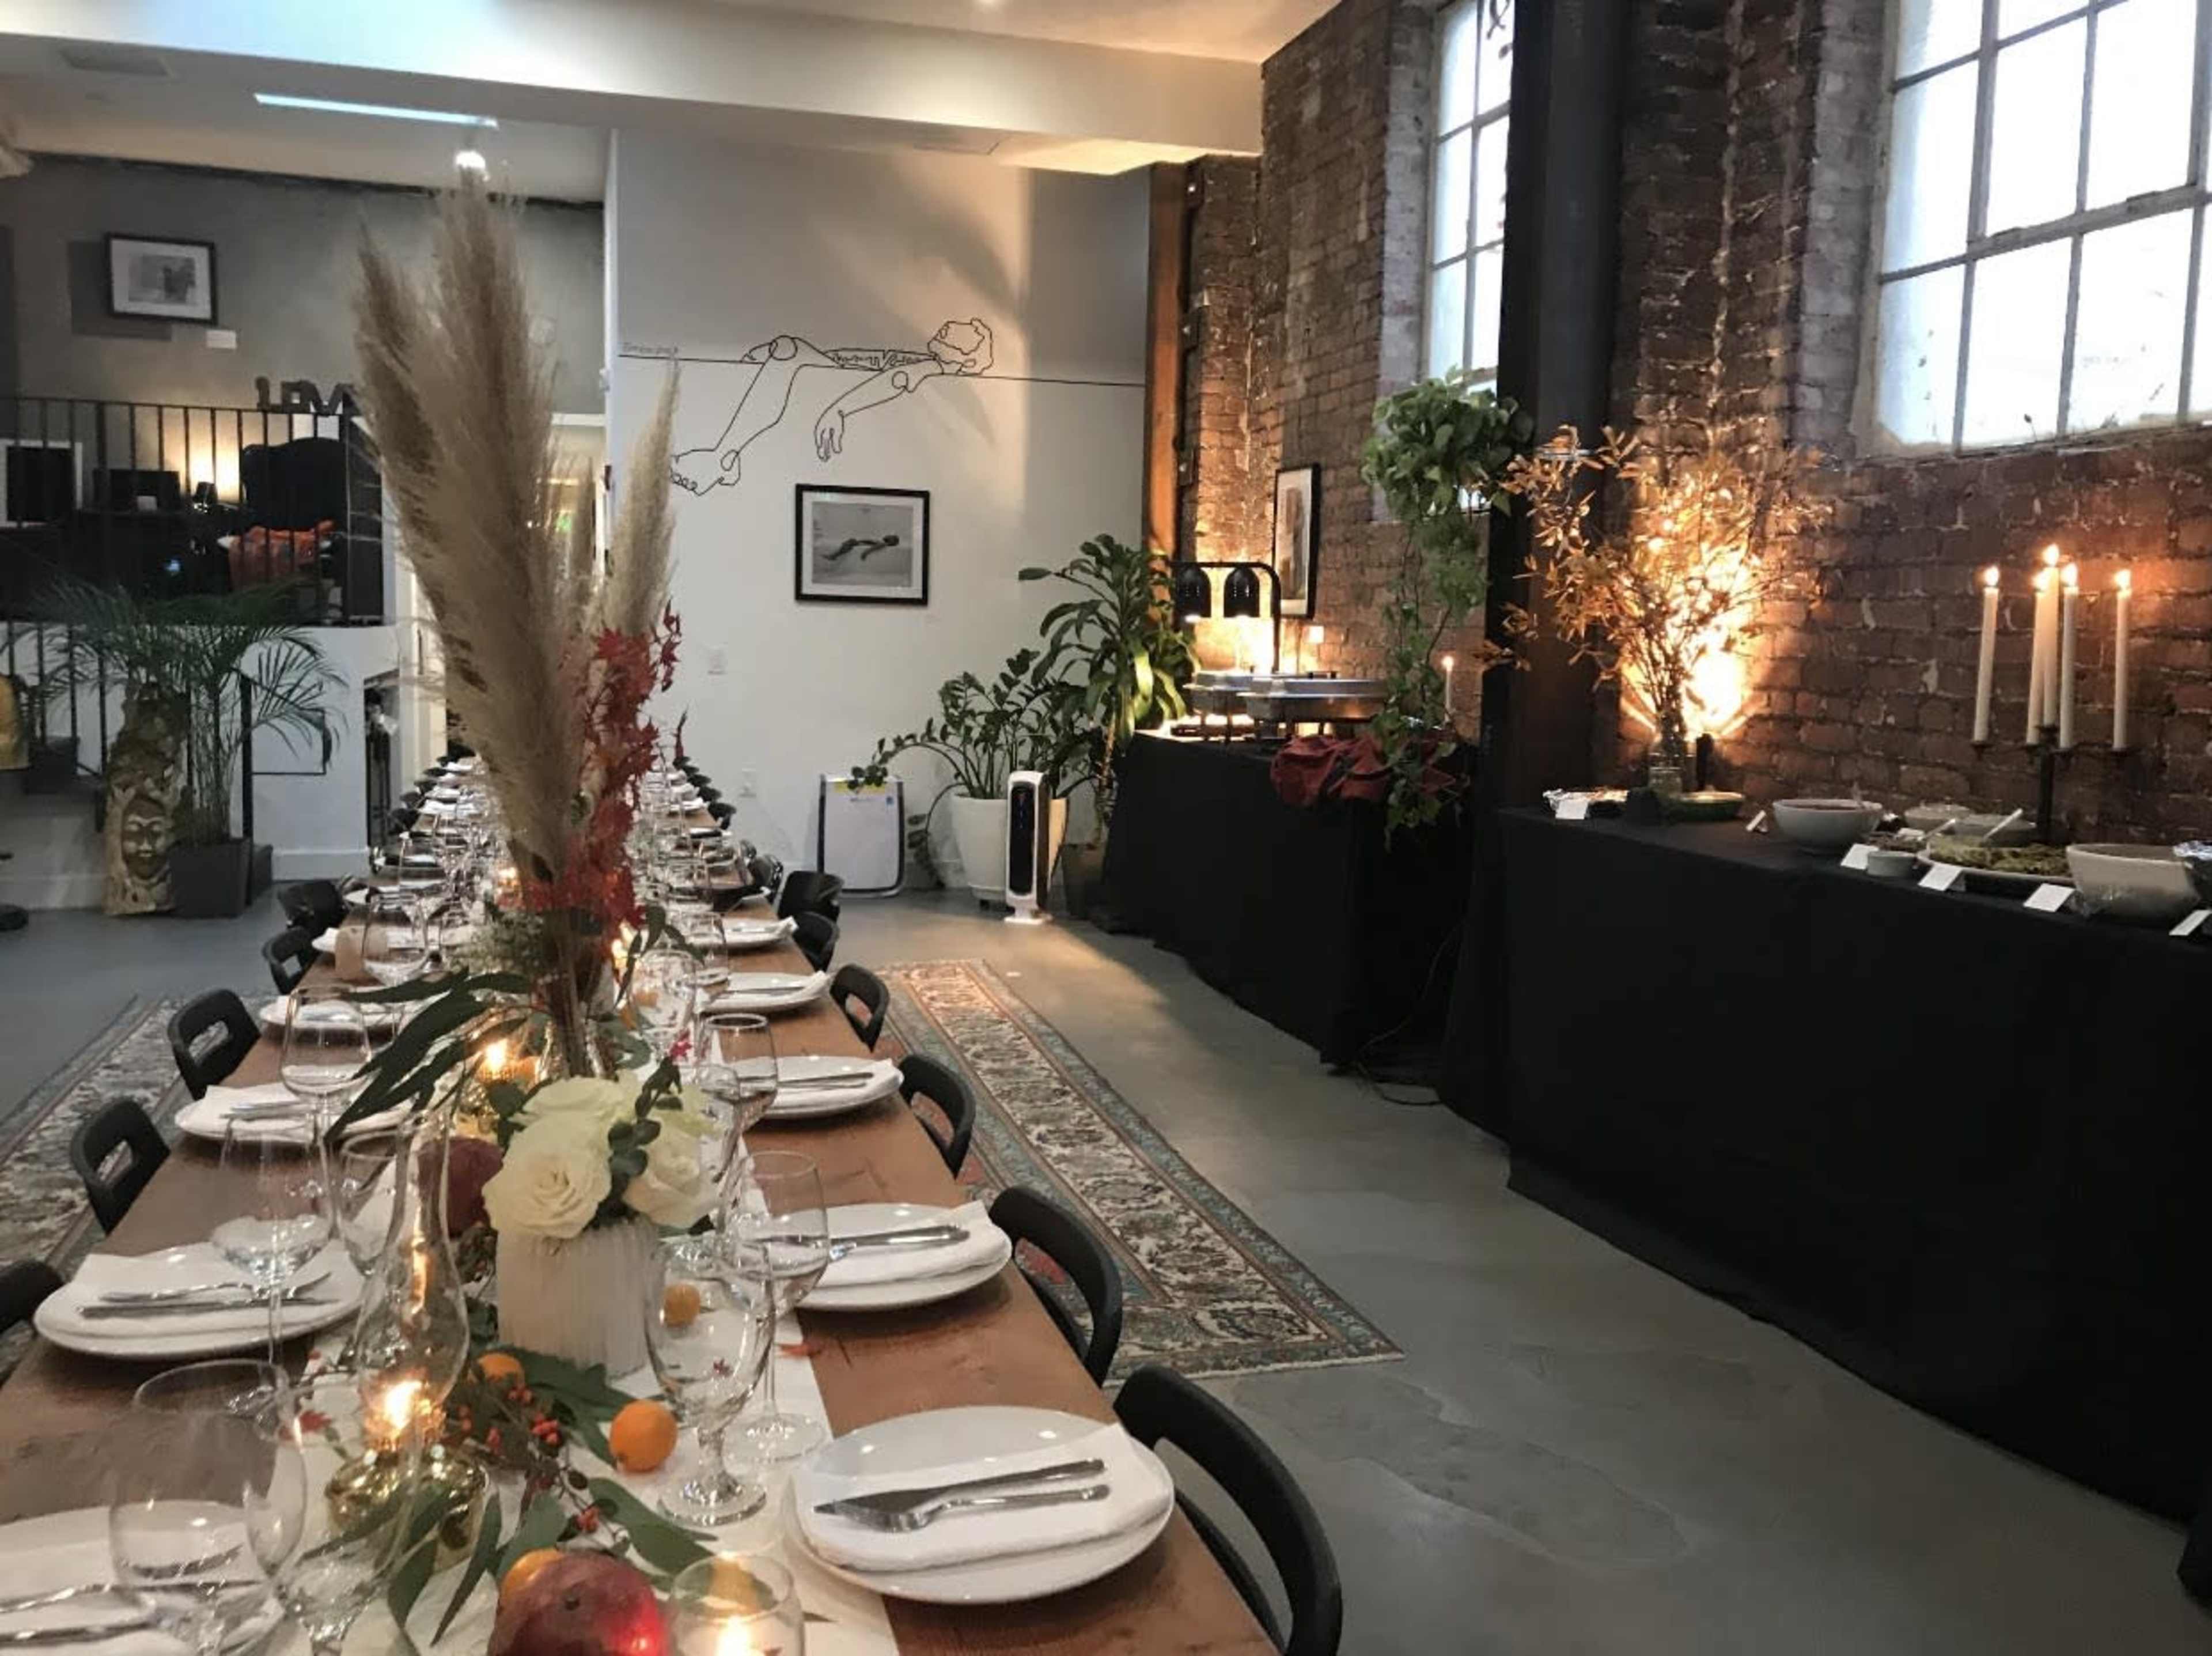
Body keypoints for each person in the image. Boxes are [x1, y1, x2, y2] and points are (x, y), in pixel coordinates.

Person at [671, 319, 994, 494]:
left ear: (966, 358)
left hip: (841, 388)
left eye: (964, 333)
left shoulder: (933, 370)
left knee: (788, 350)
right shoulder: (927, 362)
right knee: (786, 347)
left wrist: (840, 409)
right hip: (835, 374)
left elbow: (896, 379)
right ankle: (725, 458)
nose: (951, 327)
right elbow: (863, 360)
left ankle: (723, 459)